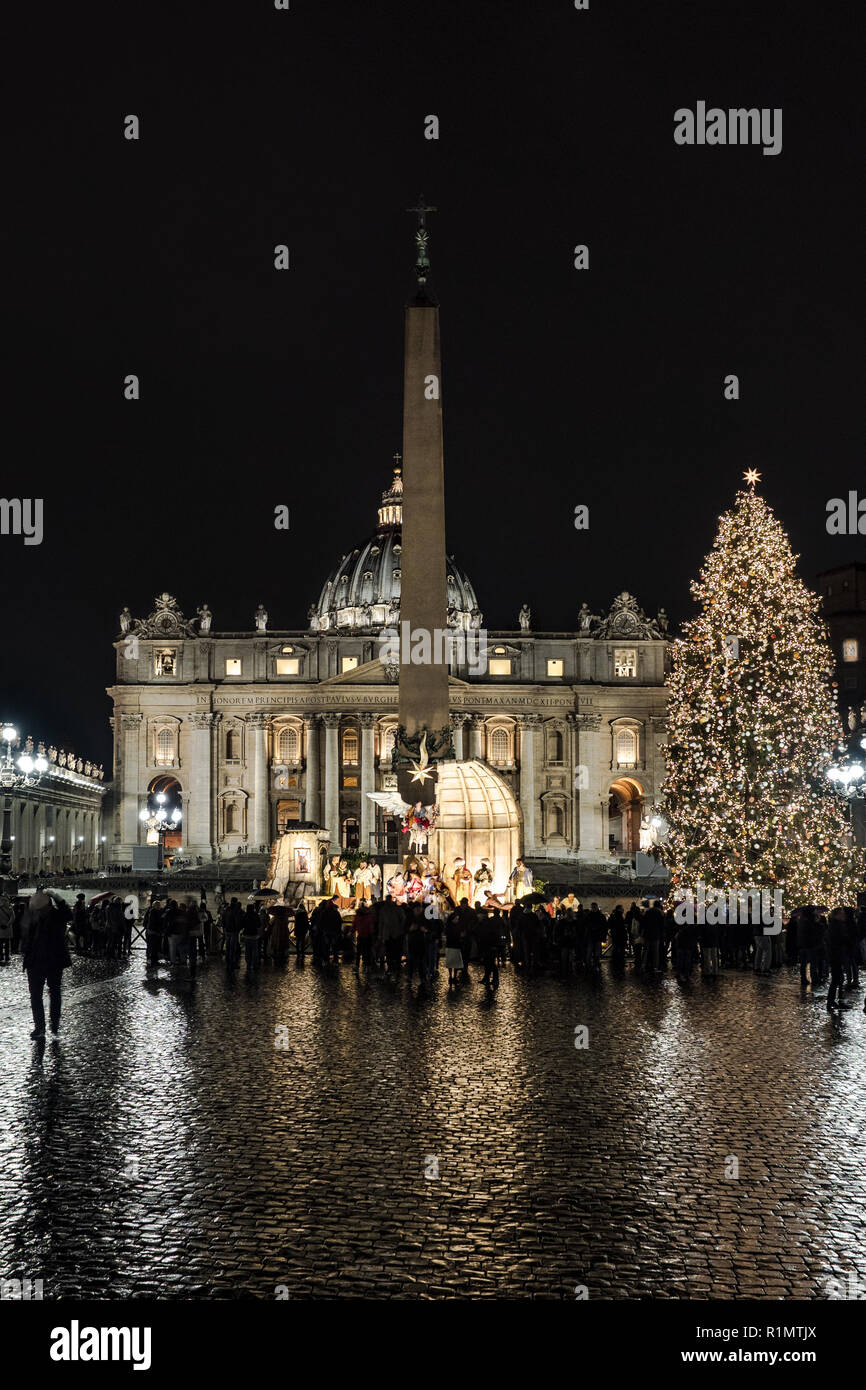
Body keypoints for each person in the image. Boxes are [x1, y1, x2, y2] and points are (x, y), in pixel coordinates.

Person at [21, 890, 72, 1038]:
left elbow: (69, 914)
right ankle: (40, 1027)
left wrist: (58, 898)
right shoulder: (32, 914)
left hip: (53, 960)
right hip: (35, 961)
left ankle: (54, 1024)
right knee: (36, 995)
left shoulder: (57, 915)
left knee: (54, 993)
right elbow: (25, 932)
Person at [825, 908, 849, 1011]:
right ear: (836, 915)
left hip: (837, 955)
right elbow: (838, 940)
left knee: (838, 979)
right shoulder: (836, 926)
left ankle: (834, 1001)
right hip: (836, 955)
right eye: (841, 914)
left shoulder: (835, 925)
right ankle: (833, 1001)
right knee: (837, 979)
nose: (843, 915)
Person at [405, 912, 428, 992]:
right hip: (412, 942)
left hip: (421, 942)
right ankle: (410, 976)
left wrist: (424, 930)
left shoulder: (424, 918)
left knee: (421, 961)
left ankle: (422, 977)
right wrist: (410, 929)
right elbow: (405, 928)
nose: (418, 910)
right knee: (412, 960)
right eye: (417, 909)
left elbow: (428, 928)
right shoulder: (409, 917)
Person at [353, 902, 375, 977]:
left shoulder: (357, 916)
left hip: (361, 935)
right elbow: (371, 926)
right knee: (368, 951)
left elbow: (354, 925)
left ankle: (357, 966)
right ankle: (368, 966)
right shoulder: (369, 916)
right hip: (368, 936)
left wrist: (351, 931)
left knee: (359, 951)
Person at [444, 910, 464, 989]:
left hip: (455, 946)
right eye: (456, 919)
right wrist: (459, 936)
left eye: (458, 919)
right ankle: (451, 976)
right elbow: (451, 935)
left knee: (455, 963)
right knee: (451, 962)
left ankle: (454, 976)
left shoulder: (456, 926)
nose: (457, 920)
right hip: (452, 945)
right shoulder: (449, 927)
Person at [223, 897, 243, 972]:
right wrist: (239, 928)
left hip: (227, 930)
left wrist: (224, 928)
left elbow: (223, 919)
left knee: (228, 947)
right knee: (233, 948)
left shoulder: (227, 909)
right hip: (234, 931)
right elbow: (237, 921)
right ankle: (232, 963)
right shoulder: (236, 910)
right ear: (236, 901)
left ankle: (228, 962)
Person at [242, 904, 261, 972]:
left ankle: (248, 964)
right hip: (254, 935)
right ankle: (255, 965)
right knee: (254, 951)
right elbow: (259, 924)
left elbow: (242, 924)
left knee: (247, 951)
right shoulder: (256, 915)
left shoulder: (245, 915)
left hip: (247, 935)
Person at [608, 904, 627, 970]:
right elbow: (622, 927)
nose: (623, 909)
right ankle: (621, 961)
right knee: (621, 949)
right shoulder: (620, 916)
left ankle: (614, 960)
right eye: (622, 908)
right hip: (620, 935)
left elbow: (609, 925)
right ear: (619, 909)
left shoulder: (613, 916)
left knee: (615, 948)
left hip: (614, 935)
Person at [0, 892, 14, 965]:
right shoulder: (10, 907)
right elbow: (13, 917)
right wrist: (8, 924)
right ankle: (6, 956)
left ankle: (1, 956)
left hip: (1, 929)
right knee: (7, 944)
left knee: (1, 943)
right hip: (7, 929)